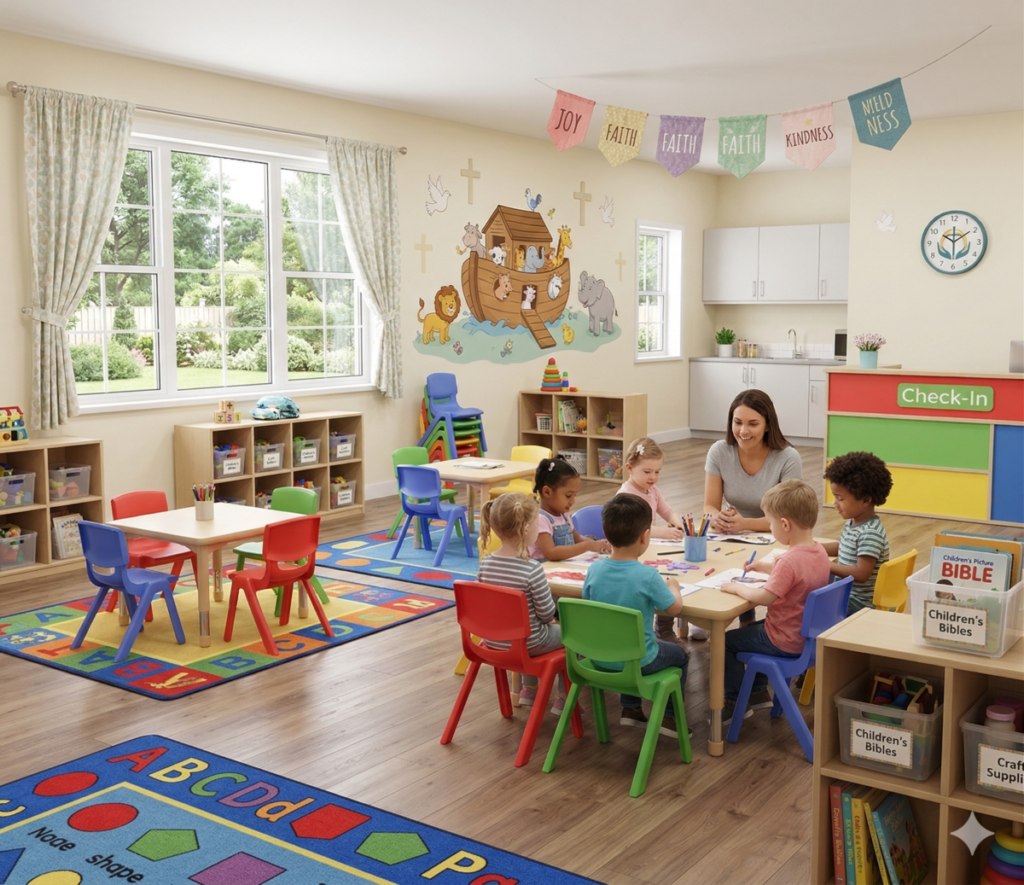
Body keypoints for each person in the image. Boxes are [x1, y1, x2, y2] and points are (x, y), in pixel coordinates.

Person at [718, 479, 831, 725]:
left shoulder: (789, 560)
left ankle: (734, 703)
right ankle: (758, 693)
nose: (770, 527)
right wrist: (765, 567)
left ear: (785, 524)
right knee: (752, 630)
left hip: (784, 640)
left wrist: (737, 587)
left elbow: (764, 597)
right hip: (808, 639)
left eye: (770, 522)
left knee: (725, 642)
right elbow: (799, 574)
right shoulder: (818, 551)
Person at [582, 494, 691, 738]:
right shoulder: (648, 576)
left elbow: (588, 604)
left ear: (605, 533)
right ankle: (670, 718)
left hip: (598, 657)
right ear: (645, 536)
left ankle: (631, 709)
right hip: (639, 661)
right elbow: (674, 609)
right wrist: (674, 587)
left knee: (625, 641)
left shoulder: (594, 570)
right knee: (681, 655)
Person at [477, 492, 570, 714]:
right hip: (527, 645)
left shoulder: (485, 563)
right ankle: (565, 698)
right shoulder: (532, 569)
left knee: (526, 628)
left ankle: (529, 690)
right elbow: (546, 614)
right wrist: (554, 617)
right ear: (527, 529)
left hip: (492, 640)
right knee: (575, 635)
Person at [617, 437, 693, 644]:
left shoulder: (652, 490)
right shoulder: (626, 495)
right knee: (658, 583)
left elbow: (666, 510)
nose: (653, 477)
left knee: (670, 577)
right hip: (635, 552)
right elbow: (636, 530)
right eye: (647, 472)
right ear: (630, 468)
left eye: (657, 472)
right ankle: (664, 630)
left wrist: (678, 523)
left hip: (650, 548)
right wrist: (663, 533)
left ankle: (665, 627)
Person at [703, 389, 803, 535]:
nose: (743, 431)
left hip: (777, 535)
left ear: (767, 425)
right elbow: (709, 507)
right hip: (733, 533)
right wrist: (718, 519)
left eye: (753, 424)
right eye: (737, 422)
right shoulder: (718, 451)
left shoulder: (788, 458)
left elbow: (788, 517)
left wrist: (744, 524)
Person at [821, 451, 893, 614]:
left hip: (858, 605)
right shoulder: (855, 522)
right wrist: (813, 547)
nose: (835, 503)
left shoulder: (870, 533)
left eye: (840, 499)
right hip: (847, 596)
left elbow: (861, 574)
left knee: (805, 606)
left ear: (866, 500)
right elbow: (843, 546)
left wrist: (825, 564)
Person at [530, 456, 611, 562]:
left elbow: (577, 539)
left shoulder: (564, 515)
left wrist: (598, 544)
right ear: (547, 492)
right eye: (568, 495)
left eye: (574, 495)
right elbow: (551, 553)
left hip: (563, 567)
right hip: (545, 570)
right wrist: (587, 546)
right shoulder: (540, 519)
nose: (573, 501)